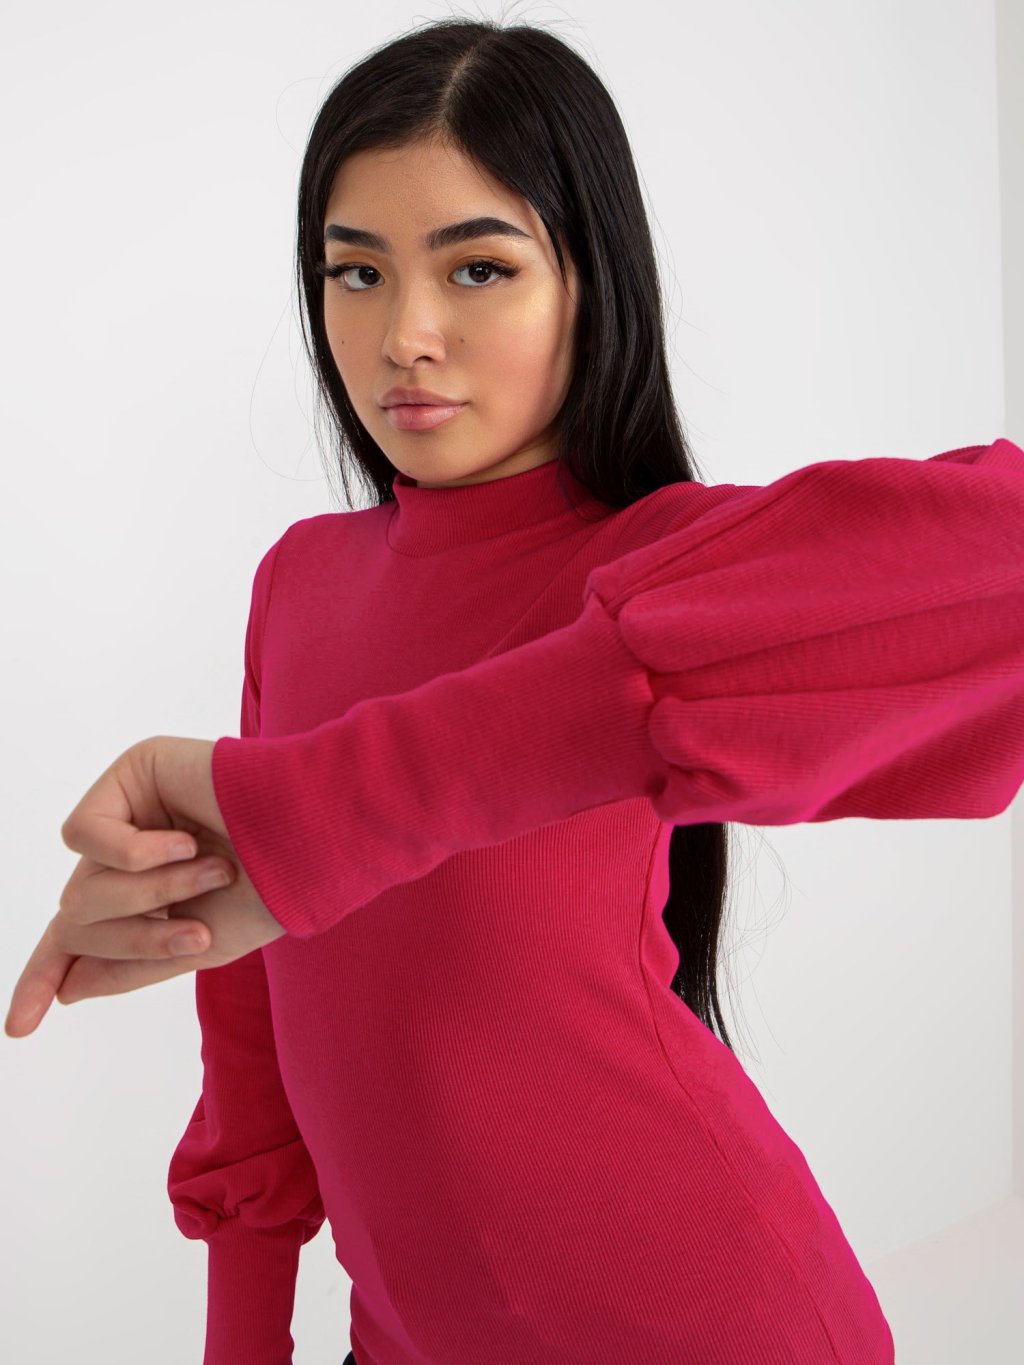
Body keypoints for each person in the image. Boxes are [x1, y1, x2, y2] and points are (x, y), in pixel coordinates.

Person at [6, 14, 1024, 1365]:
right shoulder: (299, 580)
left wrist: (350, 797)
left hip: (698, 1322)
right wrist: (242, 1337)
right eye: (355, 272)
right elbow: (251, 1010)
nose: (405, 335)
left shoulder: (663, 567)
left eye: (478, 267)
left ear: (592, 281)